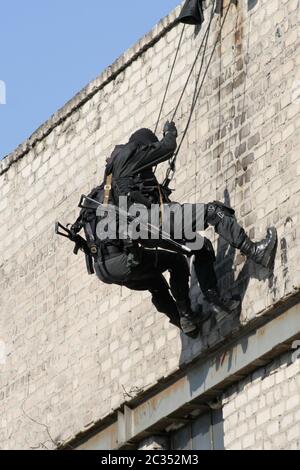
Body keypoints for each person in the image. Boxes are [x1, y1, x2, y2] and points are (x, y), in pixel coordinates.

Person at [97, 121, 277, 324]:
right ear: (143, 144)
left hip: (145, 233)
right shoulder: (131, 152)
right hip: (154, 220)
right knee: (213, 212)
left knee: (201, 247)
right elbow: (167, 148)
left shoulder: (111, 175)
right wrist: (170, 132)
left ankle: (218, 302)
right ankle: (256, 252)